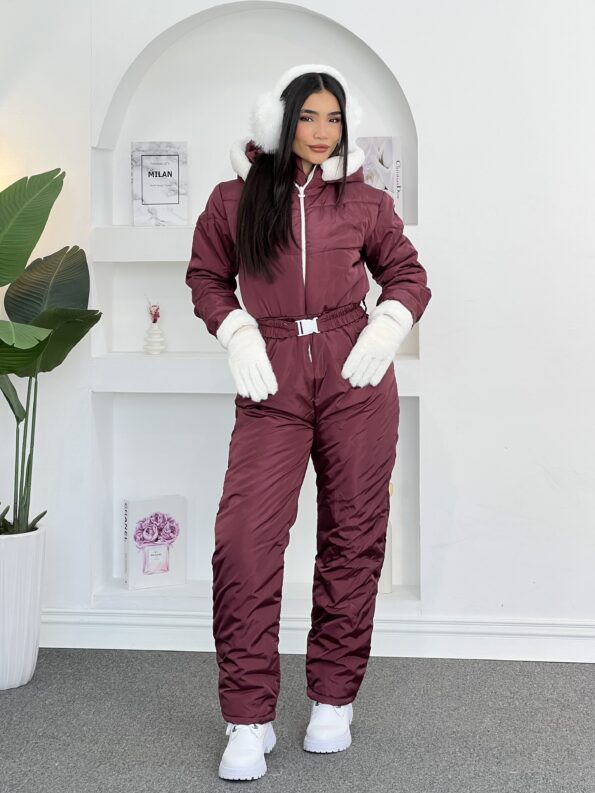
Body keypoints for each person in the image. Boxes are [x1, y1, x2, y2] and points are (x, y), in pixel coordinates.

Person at [185, 63, 432, 781]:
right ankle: (247, 716)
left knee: (353, 534)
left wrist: (386, 326)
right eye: (307, 117)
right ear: (280, 120)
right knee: (244, 540)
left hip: (356, 372)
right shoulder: (233, 199)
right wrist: (236, 332)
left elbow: (408, 274)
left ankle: (332, 697)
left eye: (334, 118)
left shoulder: (366, 201)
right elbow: (206, 277)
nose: (322, 132)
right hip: (273, 375)